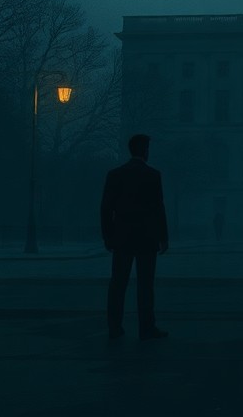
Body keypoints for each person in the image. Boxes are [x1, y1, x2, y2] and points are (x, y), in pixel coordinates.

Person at [101, 133, 169, 340]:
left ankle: (114, 327)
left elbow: (106, 208)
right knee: (145, 285)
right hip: (146, 238)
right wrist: (163, 237)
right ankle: (146, 328)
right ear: (145, 151)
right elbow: (159, 208)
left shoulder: (115, 175)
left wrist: (108, 236)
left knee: (118, 284)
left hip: (122, 237)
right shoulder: (153, 175)